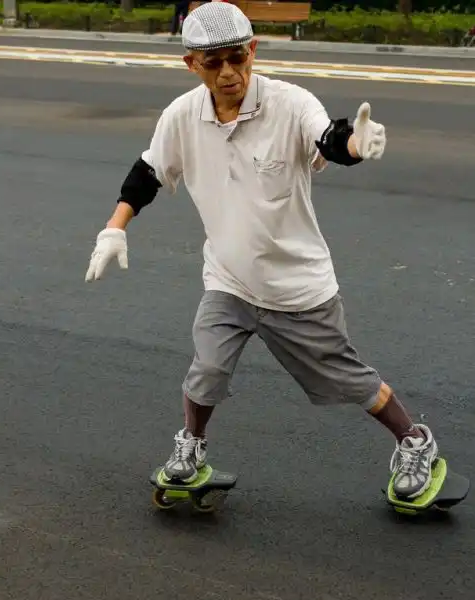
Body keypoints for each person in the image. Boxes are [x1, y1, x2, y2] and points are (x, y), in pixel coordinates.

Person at [85, 2, 438, 501]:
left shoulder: (290, 103)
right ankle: (191, 446)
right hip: (229, 281)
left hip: (297, 286)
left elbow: (329, 139)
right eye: (213, 63)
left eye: (237, 58)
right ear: (191, 64)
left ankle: (415, 440)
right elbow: (148, 173)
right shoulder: (181, 116)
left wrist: (355, 144)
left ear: (252, 50)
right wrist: (113, 230)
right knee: (207, 369)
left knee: (348, 379)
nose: (228, 73)